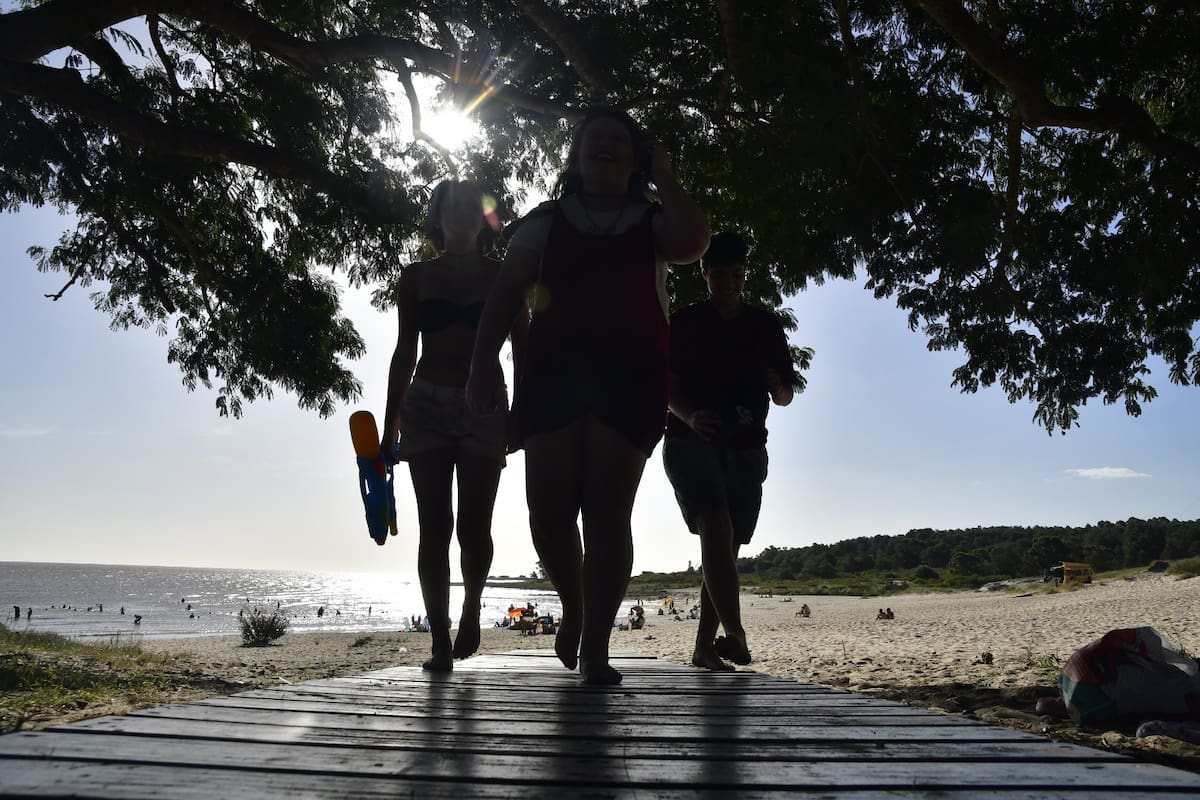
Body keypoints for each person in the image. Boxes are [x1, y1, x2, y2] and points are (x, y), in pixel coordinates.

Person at [466, 106, 709, 685]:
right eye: (593, 139)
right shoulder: (546, 220)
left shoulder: (652, 221)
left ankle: (596, 647)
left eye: (618, 140)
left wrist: (666, 178)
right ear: (575, 155)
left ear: (636, 156)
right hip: (553, 374)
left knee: (605, 513)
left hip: (630, 376)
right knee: (548, 516)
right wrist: (481, 365)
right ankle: (573, 606)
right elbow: (505, 292)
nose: (604, 146)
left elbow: (693, 241)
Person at [380, 179, 528, 672]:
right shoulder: (416, 277)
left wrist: (521, 413)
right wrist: (390, 426)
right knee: (434, 527)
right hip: (426, 404)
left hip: (485, 405)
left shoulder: (505, 276)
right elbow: (406, 351)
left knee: (474, 526)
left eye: (472, 206)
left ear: (485, 218)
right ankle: (439, 639)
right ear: (437, 218)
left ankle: (470, 608)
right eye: (452, 206)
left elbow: (524, 348)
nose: (462, 213)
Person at [663, 231, 797, 671]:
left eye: (735, 275)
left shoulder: (766, 326)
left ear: (744, 276)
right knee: (715, 527)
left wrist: (779, 387)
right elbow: (665, 384)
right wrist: (688, 417)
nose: (727, 283)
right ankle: (736, 633)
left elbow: (785, 396)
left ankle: (704, 648)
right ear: (704, 273)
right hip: (692, 441)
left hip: (746, 448)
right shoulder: (684, 323)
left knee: (723, 549)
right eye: (718, 274)